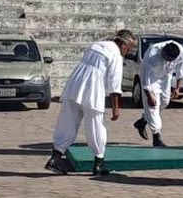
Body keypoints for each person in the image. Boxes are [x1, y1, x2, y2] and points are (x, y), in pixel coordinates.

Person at [45, 29, 135, 176]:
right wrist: (115, 108)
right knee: (96, 124)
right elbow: (114, 84)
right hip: (93, 87)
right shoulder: (116, 55)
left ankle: (55, 158)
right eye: (129, 47)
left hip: (75, 83)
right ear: (123, 44)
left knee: (67, 122)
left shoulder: (97, 44)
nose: (129, 51)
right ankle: (99, 163)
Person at [133, 40, 183, 147]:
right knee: (152, 106)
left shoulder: (180, 51)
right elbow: (144, 77)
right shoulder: (152, 53)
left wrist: (177, 88)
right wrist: (149, 95)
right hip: (151, 78)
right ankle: (156, 137)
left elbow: (181, 71)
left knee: (165, 102)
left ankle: (143, 121)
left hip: (165, 77)